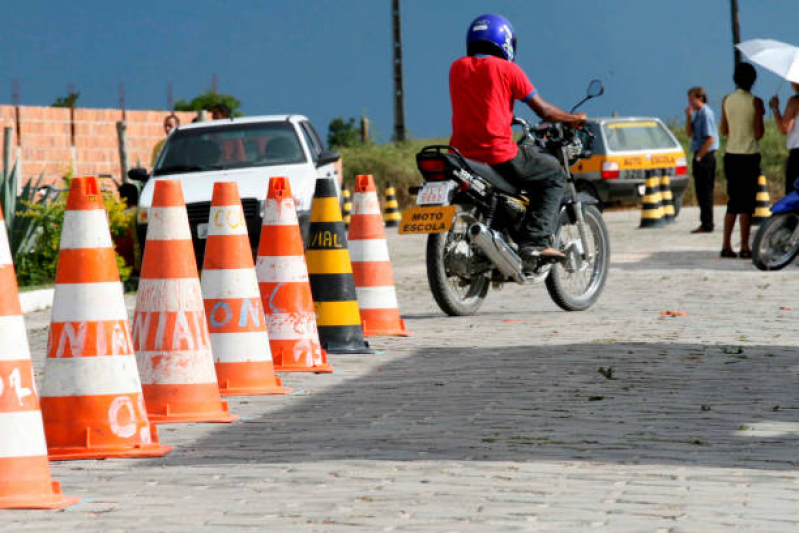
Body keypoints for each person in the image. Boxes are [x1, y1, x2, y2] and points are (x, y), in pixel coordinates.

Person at [449, 13, 586, 263]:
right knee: (553, 173)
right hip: (497, 153)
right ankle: (534, 241)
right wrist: (572, 119)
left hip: (461, 155)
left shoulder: (456, 67)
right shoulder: (508, 69)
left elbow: (480, 104)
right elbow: (543, 111)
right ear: (505, 41)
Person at [720, 62, 765, 259]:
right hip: (749, 156)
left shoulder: (726, 100)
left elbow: (724, 130)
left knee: (733, 201)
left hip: (731, 155)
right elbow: (759, 133)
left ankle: (726, 245)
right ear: (753, 81)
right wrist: (760, 114)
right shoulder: (756, 102)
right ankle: (745, 246)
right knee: (747, 204)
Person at [684, 87, 719, 233]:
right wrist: (688, 117)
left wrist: (699, 156)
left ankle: (707, 223)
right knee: (700, 191)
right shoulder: (697, 114)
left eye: (692, 98)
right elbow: (689, 133)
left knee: (705, 192)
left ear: (700, 98)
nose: (690, 102)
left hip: (705, 156)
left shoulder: (706, 114)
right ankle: (705, 221)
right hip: (699, 154)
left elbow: (710, 138)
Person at [769, 82, 799, 196]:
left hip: (797, 153)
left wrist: (775, 109)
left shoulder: (795, 101)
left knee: (793, 195)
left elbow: (784, 128)